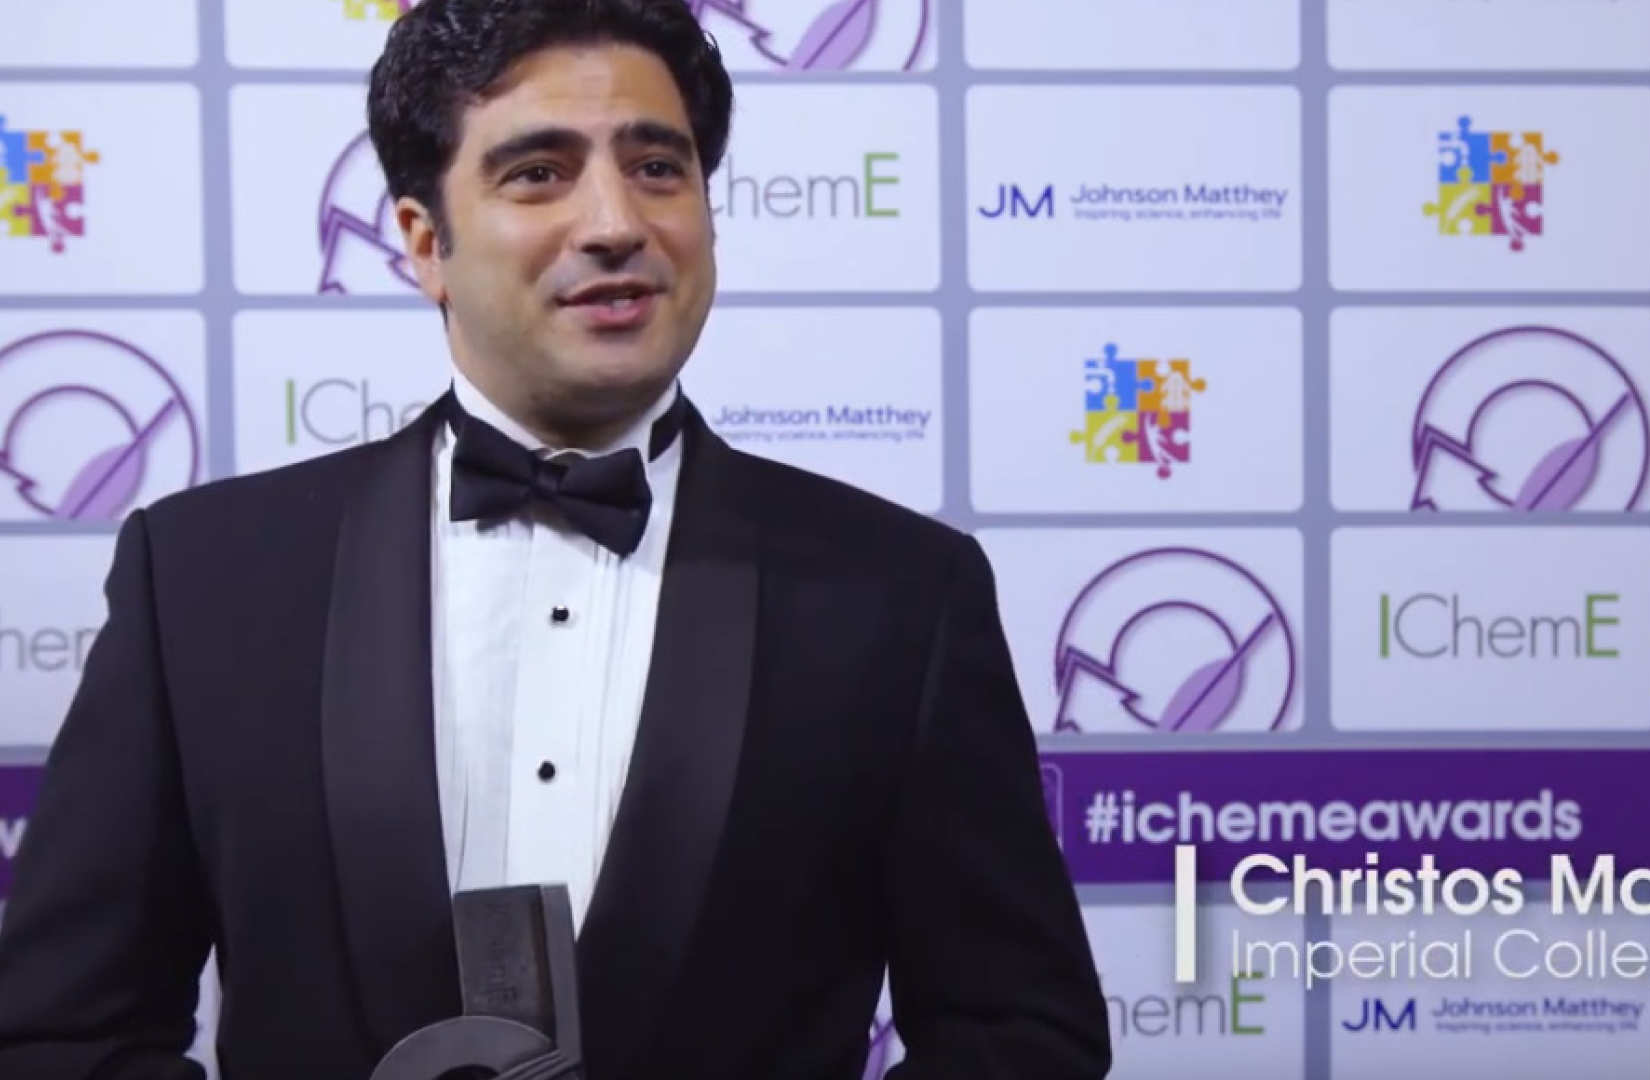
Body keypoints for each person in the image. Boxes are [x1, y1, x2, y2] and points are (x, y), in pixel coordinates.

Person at [0, 1, 1111, 1076]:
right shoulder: (204, 579)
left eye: (658, 166)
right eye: (538, 172)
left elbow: (1022, 1033)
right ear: (423, 243)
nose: (616, 223)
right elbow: (64, 1035)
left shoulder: (900, 595)